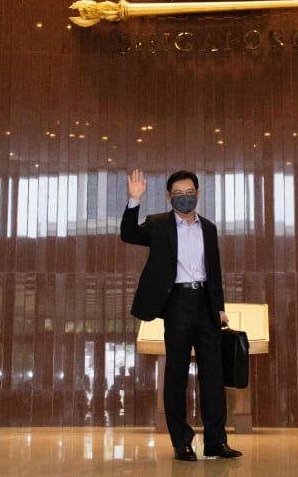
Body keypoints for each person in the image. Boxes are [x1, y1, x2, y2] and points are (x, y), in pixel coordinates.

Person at [121, 168, 242, 462]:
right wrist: (133, 201)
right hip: (176, 303)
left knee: (214, 376)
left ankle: (216, 442)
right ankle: (182, 442)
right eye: (178, 194)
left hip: (206, 304)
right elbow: (129, 235)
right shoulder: (158, 224)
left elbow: (214, 272)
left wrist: (220, 307)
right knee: (175, 374)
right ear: (168, 196)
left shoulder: (209, 228)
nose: (184, 198)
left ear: (198, 195)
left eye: (189, 193)